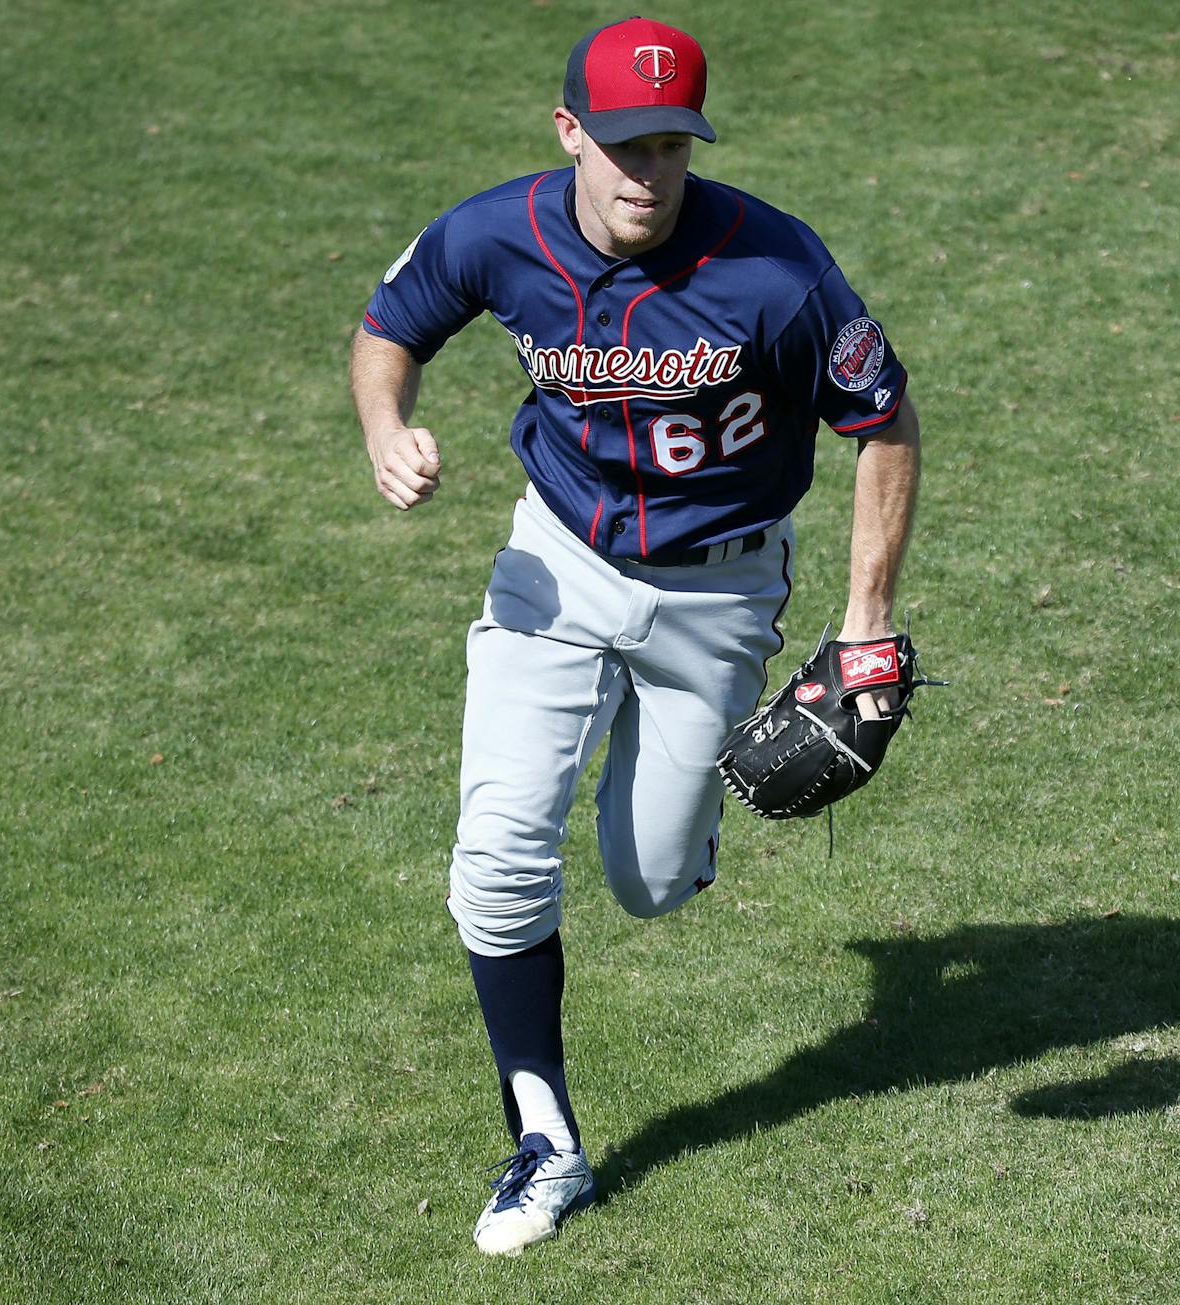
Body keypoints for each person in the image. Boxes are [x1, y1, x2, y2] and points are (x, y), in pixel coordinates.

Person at [350, 15, 921, 1256]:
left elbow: (881, 422)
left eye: (668, 146)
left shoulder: (773, 267)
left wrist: (865, 622)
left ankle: (676, 810)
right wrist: (384, 429)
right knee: (499, 857)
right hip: (553, 566)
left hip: (717, 595)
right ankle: (545, 1142)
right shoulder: (496, 233)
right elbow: (388, 327)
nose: (642, 173)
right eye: (619, 145)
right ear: (569, 133)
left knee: (647, 882)